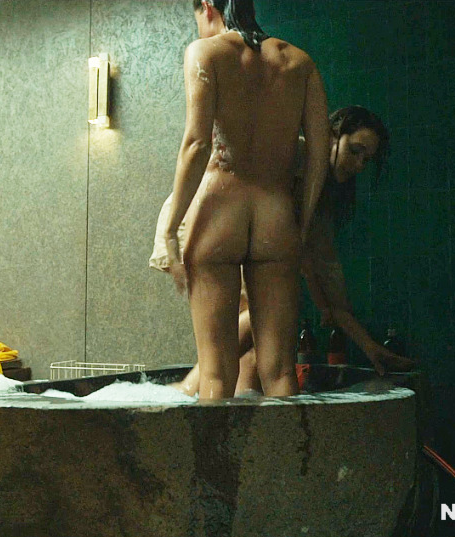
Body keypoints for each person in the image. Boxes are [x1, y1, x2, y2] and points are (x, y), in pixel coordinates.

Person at [154, 105, 417, 397]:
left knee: (262, 336)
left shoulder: (320, 191)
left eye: (366, 159)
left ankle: (242, 404)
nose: (358, 164)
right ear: (332, 135)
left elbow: (323, 268)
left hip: (236, 229)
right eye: (354, 151)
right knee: (262, 315)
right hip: (205, 216)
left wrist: (369, 347)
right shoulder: (295, 154)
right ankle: (186, 390)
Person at [164, 0, 330, 400]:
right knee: (280, 372)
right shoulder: (300, 63)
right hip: (275, 213)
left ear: (207, 6)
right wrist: (303, 222)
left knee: (216, 375)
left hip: (219, 210)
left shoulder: (204, 53)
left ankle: (214, 446)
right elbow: (319, 152)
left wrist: (170, 228)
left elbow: (197, 144)